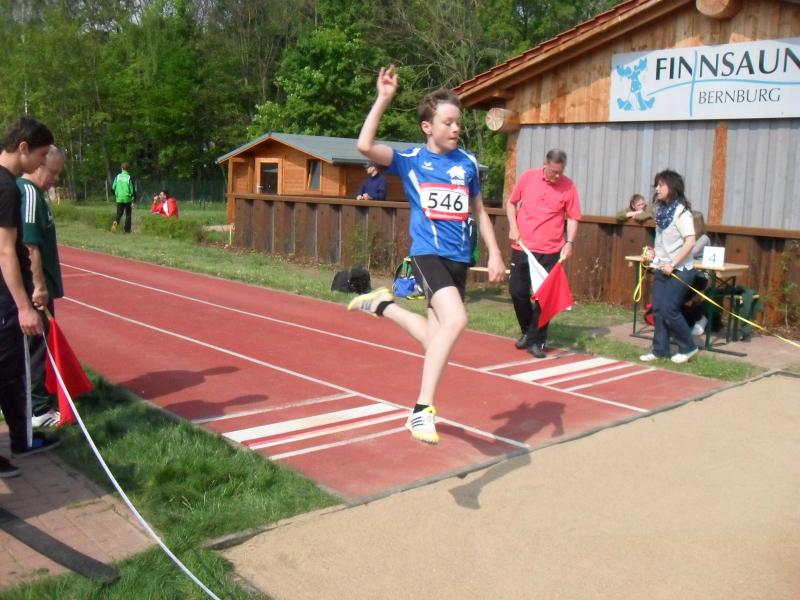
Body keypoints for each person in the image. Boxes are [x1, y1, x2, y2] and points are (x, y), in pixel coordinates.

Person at [348, 65, 505, 445]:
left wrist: (496, 253)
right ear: (427, 127)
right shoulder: (412, 159)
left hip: (459, 259)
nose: (455, 128)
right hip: (427, 254)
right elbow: (364, 146)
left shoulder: (467, 163)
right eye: (447, 122)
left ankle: (382, 305)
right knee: (457, 320)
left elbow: (479, 211)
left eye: (458, 123)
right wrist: (383, 99)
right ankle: (421, 410)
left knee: (434, 338)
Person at [0, 116, 60, 479]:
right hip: (5, 301)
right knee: (12, 372)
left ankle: (22, 439)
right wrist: (24, 306)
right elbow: (6, 250)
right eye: (40, 155)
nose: (42, 163)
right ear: (23, 147)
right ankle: (23, 440)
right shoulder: (8, 188)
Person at [506, 149, 582, 358]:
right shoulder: (528, 177)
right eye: (554, 171)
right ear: (545, 164)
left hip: (550, 250)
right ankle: (527, 331)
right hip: (522, 246)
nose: (557, 176)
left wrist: (569, 242)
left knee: (544, 298)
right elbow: (511, 203)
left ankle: (537, 340)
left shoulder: (569, 186)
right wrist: (513, 226)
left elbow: (573, 217)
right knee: (517, 291)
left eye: (560, 172)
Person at [20, 146, 66, 428]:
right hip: (34, 289)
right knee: (36, 346)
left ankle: (32, 402)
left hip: (38, 287)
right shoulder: (28, 194)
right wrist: (38, 286)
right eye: (53, 172)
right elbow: (30, 244)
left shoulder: (34, 194)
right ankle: (38, 409)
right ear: (38, 164)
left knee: (36, 344)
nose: (55, 179)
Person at [640, 169, 699, 364]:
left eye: (661, 185)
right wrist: (653, 255)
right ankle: (660, 350)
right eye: (656, 185)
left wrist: (673, 263)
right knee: (657, 310)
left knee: (669, 310)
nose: (657, 189)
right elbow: (662, 241)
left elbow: (690, 241)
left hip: (680, 270)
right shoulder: (661, 211)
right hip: (661, 268)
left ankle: (688, 347)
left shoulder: (682, 212)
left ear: (673, 187)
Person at [111, 162, 136, 232]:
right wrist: (133, 200)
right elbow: (132, 190)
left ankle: (116, 221)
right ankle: (127, 230)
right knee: (128, 214)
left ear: (122, 168)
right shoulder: (129, 177)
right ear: (128, 169)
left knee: (119, 213)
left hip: (119, 198)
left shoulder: (117, 177)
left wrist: (116, 194)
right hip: (127, 199)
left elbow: (113, 187)